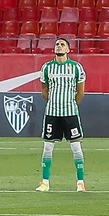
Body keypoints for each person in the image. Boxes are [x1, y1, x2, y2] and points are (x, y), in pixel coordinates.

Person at [35, 37, 87, 193]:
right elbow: (44, 90)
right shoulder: (47, 68)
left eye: (62, 44)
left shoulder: (76, 68)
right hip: (52, 113)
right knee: (48, 147)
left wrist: (70, 104)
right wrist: (54, 102)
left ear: (68, 50)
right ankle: (45, 182)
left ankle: (80, 182)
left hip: (70, 113)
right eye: (57, 44)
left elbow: (81, 91)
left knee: (76, 147)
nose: (58, 46)